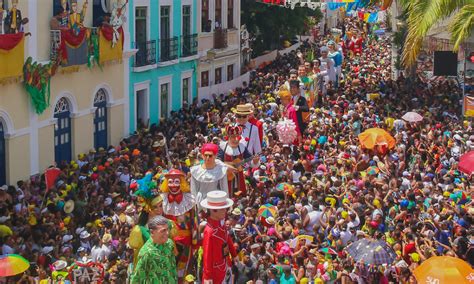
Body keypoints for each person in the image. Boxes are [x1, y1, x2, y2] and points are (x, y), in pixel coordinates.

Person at [160, 169, 196, 280]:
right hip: (168, 242)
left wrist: (195, 241)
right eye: (170, 181)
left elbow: (195, 221)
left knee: (183, 270)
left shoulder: (190, 200)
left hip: (186, 241)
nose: (173, 185)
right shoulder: (162, 200)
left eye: (176, 182)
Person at [201, 191, 237, 284]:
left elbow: (227, 238)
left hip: (225, 264)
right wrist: (207, 275)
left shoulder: (222, 224)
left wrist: (234, 254)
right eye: (222, 209)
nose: (225, 211)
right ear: (213, 210)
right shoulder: (209, 231)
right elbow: (207, 254)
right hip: (216, 271)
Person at [130, 215, 178, 283]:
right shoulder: (147, 253)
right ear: (152, 232)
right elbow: (137, 279)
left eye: (167, 229)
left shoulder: (169, 244)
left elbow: (173, 268)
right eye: (163, 231)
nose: (167, 233)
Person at [218, 125, 260, 196]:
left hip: (239, 176)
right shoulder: (222, 147)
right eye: (233, 137)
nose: (236, 139)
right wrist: (227, 167)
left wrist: (255, 161)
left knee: (240, 193)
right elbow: (217, 161)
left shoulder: (242, 147)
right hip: (226, 176)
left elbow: (250, 160)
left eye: (238, 136)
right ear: (228, 137)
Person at [190, 143, 229, 209]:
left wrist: (226, 203)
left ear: (215, 156)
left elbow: (224, 188)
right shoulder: (196, 170)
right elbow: (193, 190)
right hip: (200, 200)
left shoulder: (221, 170)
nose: (207, 158)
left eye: (210, 155)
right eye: (205, 155)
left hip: (216, 199)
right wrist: (193, 205)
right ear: (202, 156)